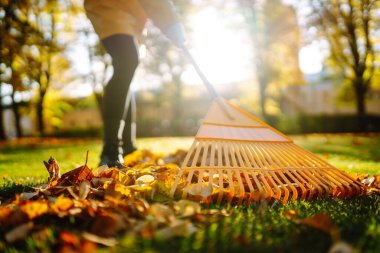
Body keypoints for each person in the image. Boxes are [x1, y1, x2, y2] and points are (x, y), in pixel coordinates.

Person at [84, 0, 186, 167]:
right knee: (127, 61)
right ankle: (111, 150)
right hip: (109, 6)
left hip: (133, 16)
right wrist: (171, 22)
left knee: (126, 71)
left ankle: (128, 148)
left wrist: (172, 24)